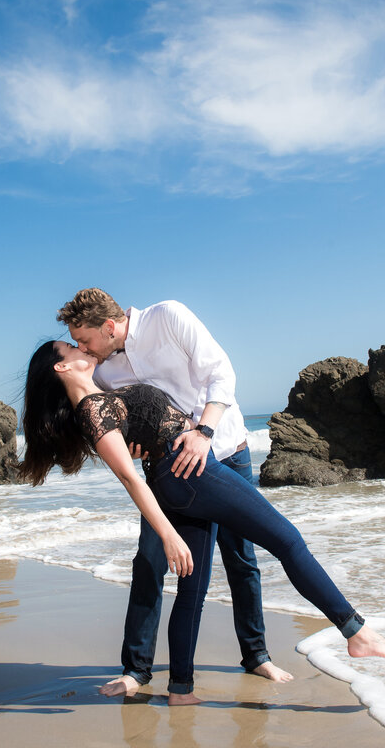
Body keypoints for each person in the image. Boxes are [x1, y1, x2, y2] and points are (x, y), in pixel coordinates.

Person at [18, 340, 385, 705]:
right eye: (69, 346)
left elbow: (137, 444)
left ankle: (181, 689)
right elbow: (128, 478)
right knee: (288, 541)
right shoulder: (92, 408)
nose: (78, 345)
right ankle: (356, 632)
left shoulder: (98, 397)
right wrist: (168, 535)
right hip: (191, 475)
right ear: (61, 367)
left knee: (194, 588)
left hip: (177, 477)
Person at [56, 288, 289, 695]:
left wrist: (204, 431)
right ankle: (137, 669)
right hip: (169, 472)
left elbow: (221, 372)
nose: (81, 348)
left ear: (109, 327)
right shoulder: (102, 370)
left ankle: (257, 656)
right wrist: (134, 443)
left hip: (225, 450)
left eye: (85, 339)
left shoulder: (169, 317)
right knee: (150, 559)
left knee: (241, 560)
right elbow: (123, 420)